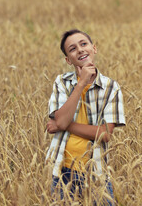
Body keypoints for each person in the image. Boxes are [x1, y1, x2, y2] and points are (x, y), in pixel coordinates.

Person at [45, 29, 125, 205]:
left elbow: (104, 134)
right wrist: (81, 83)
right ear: (68, 60)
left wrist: (63, 125)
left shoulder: (111, 87)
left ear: (94, 48)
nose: (80, 50)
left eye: (83, 44)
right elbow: (62, 120)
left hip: (96, 172)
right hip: (63, 170)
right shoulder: (62, 83)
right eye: (72, 49)